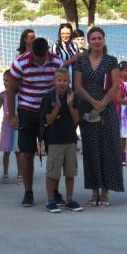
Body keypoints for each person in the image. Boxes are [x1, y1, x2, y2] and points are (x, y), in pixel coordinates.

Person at [7, 37, 63, 207]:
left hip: (50, 111)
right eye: (36, 58)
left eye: (42, 57)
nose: (39, 61)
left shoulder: (57, 62)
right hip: (27, 110)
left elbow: (63, 86)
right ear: (31, 51)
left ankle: (54, 191)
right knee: (26, 153)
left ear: (47, 51)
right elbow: (11, 90)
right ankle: (28, 192)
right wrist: (12, 116)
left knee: (54, 152)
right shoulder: (20, 63)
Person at [74, 27, 124, 206]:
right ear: (89, 41)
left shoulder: (111, 60)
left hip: (107, 110)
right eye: (93, 38)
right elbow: (78, 86)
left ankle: (106, 191)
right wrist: (94, 103)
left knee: (109, 149)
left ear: (104, 40)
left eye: (99, 38)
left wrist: (102, 104)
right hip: (87, 109)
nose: (97, 41)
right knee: (91, 150)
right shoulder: (81, 61)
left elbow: (115, 86)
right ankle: (94, 190)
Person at [40, 69, 83, 213]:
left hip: (70, 140)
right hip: (54, 140)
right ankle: (50, 201)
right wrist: (57, 106)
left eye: (65, 80)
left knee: (70, 173)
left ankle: (69, 200)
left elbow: (76, 119)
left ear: (69, 81)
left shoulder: (72, 96)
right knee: (52, 173)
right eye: (59, 80)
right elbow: (49, 120)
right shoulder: (49, 97)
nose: (62, 83)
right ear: (54, 82)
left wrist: (70, 105)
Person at [0, 70, 20, 183]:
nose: (5, 83)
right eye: (4, 80)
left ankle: (20, 173)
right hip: (7, 125)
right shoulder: (2, 95)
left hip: (18, 124)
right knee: (6, 150)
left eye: (7, 81)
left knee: (18, 150)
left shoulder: (20, 95)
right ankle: (5, 173)